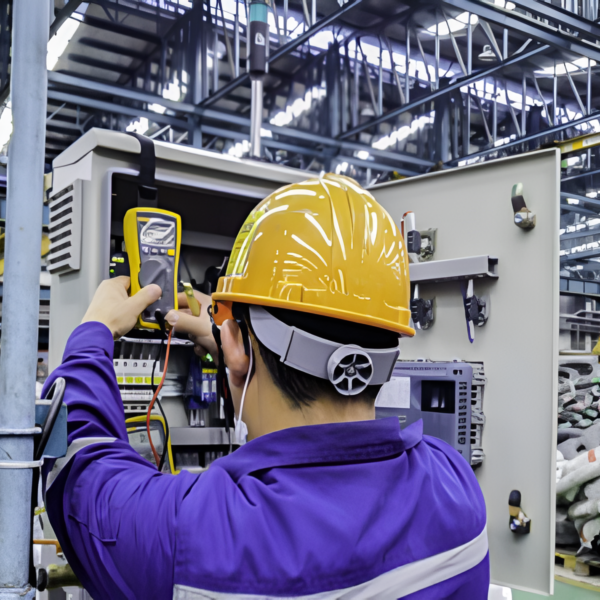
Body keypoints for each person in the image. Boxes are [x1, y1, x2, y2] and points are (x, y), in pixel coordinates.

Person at [42, 174, 489, 599]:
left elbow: (79, 471)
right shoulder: (455, 486)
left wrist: (94, 330)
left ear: (235, 345)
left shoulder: (192, 537)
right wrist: (236, 343)